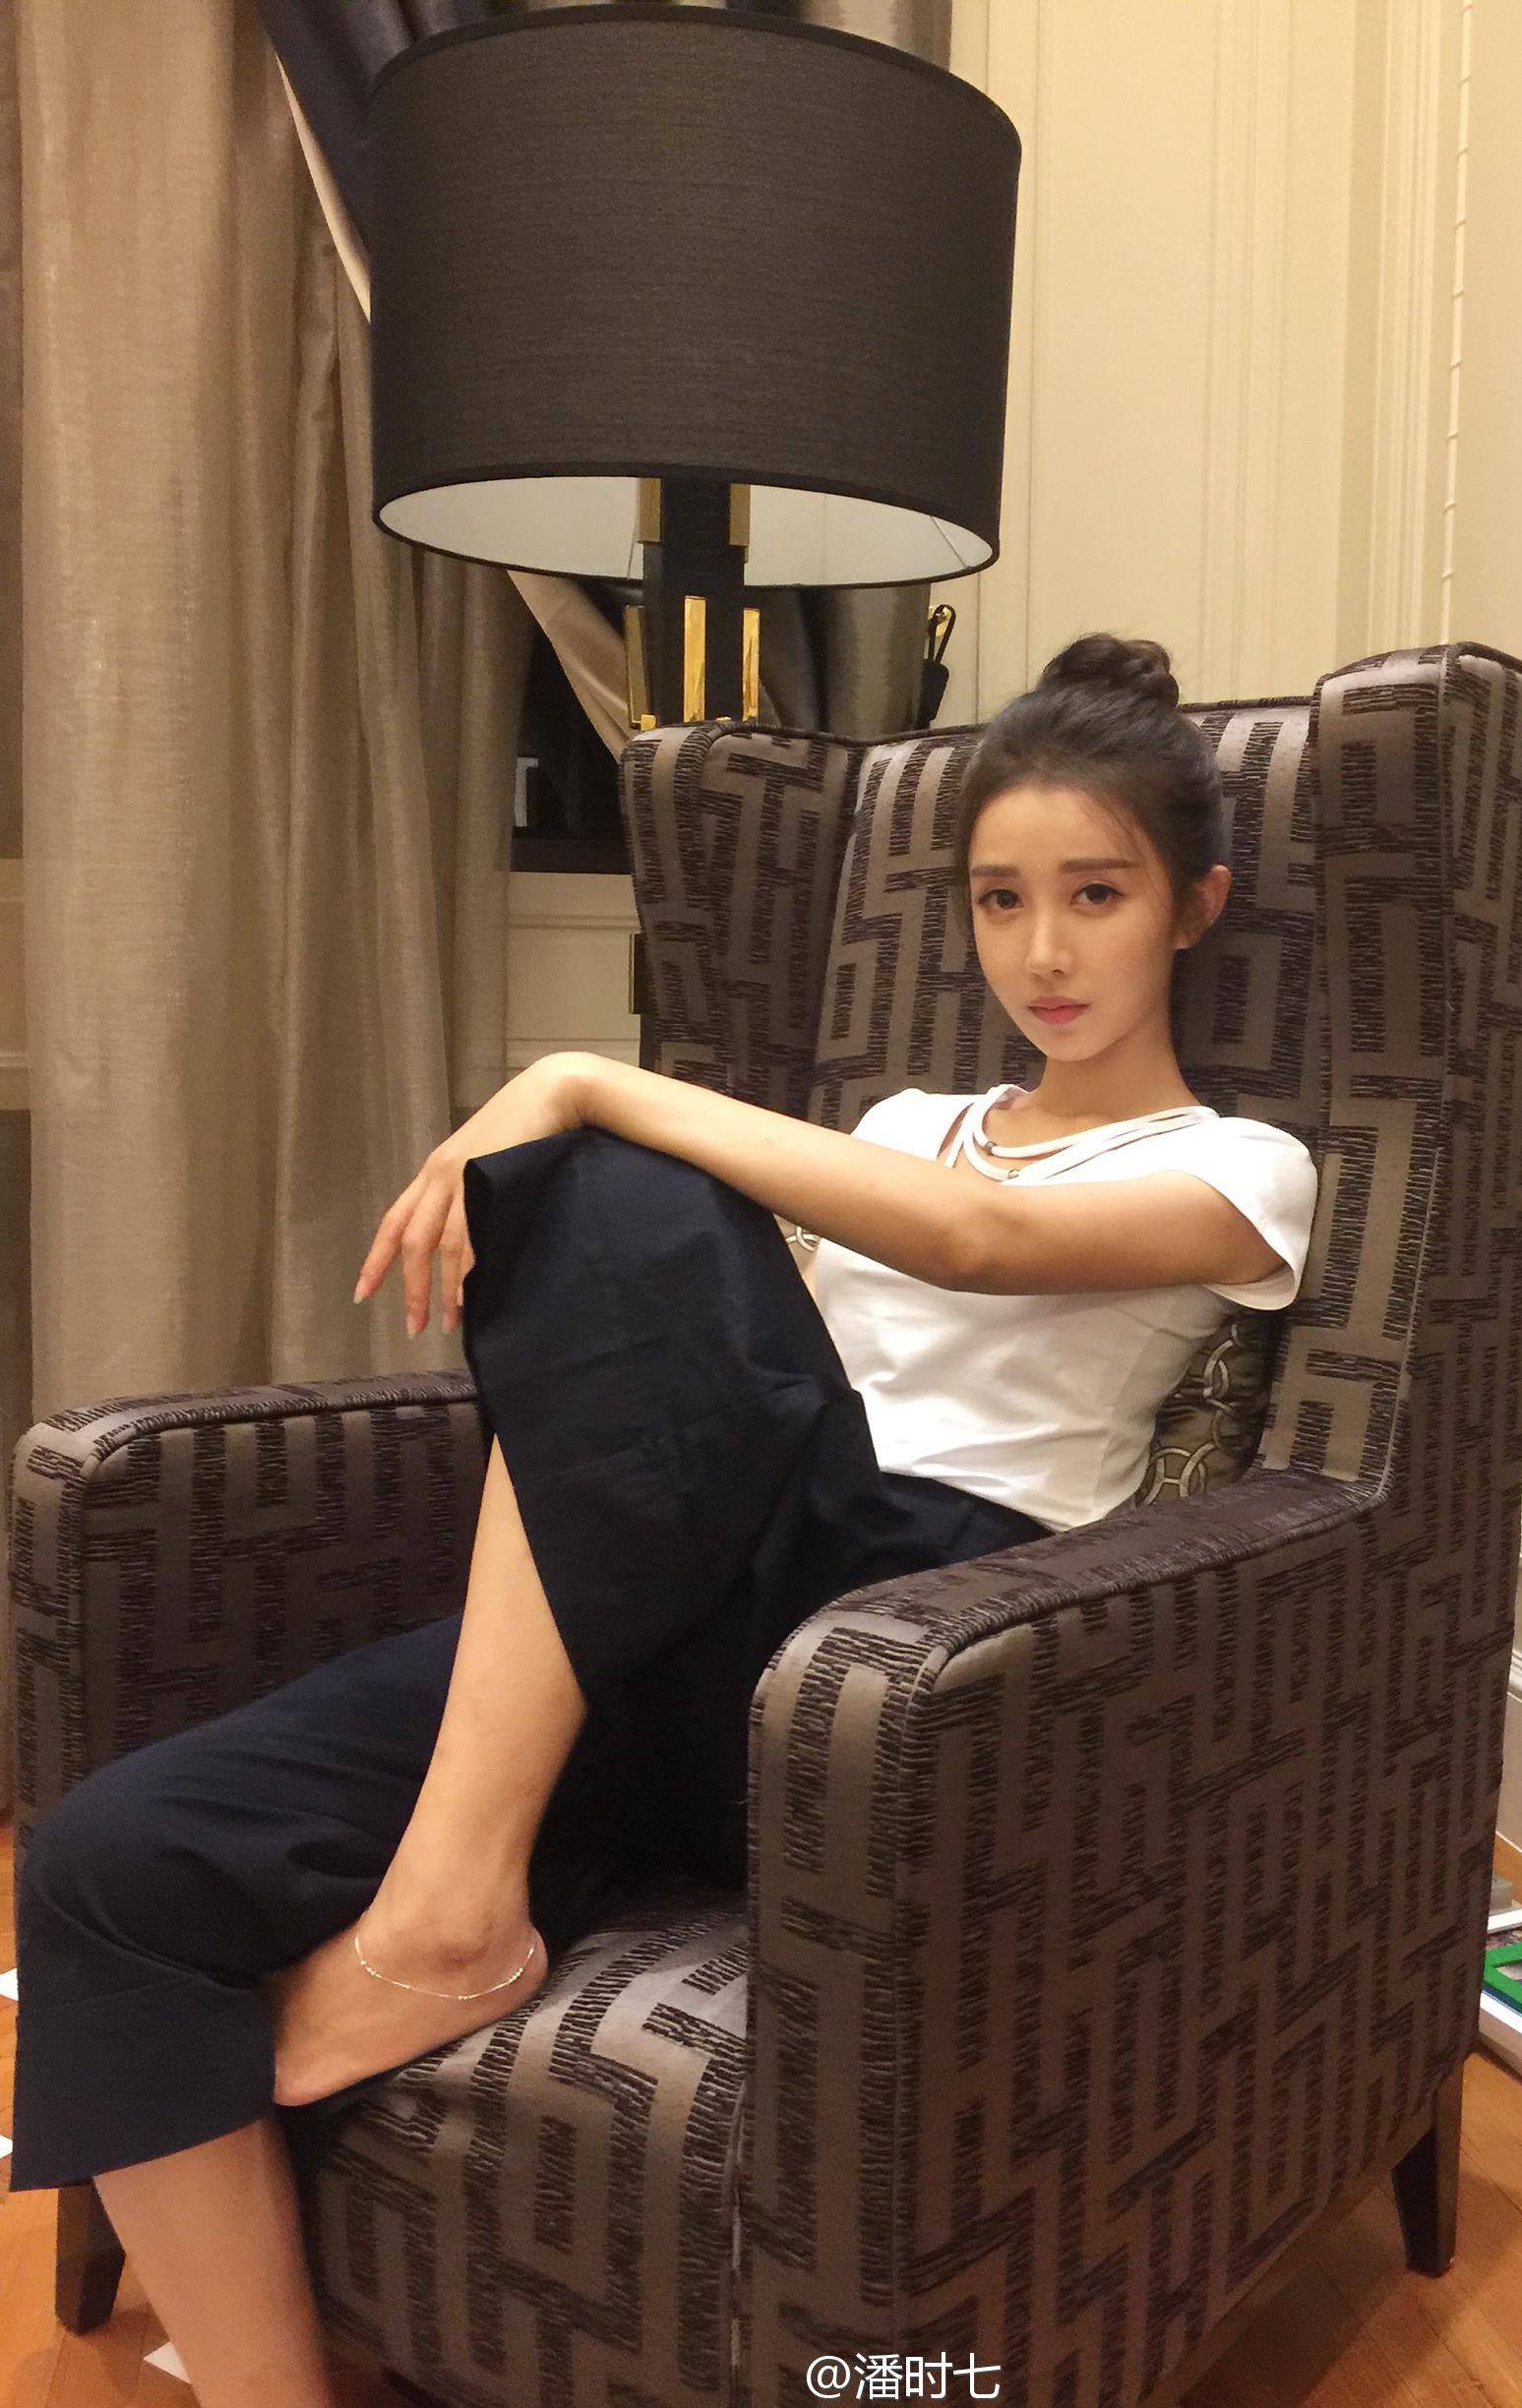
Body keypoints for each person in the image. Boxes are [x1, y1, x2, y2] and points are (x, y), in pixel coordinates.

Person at [8, 632, 1317, 2406]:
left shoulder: (1243, 1167)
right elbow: (714, 1373)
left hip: (928, 1643)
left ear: (1193, 907)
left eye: (1098, 894)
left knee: (622, 1182)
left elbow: (980, 1245)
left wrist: (583, 1078)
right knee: (111, 1863)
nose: (1045, 951)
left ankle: (447, 1914)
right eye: (1001, 900)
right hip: (703, 1624)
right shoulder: (910, 1120)